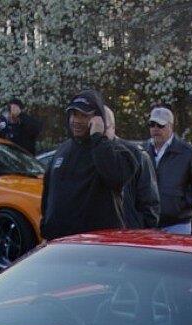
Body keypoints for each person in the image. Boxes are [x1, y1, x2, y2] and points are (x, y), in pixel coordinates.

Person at [40, 89, 137, 240]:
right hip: (60, 245)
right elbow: (48, 194)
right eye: (74, 114)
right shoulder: (62, 151)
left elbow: (116, 177)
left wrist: (97, 137)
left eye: (84, 115)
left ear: (98, 118)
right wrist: (46, 227)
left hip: (96, 247)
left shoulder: (117, 151)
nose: (76, 120)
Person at [144, 106, 192, 234]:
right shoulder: (142, 151)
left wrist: (183, 202)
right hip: (148, 224)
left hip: (177, 224)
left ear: (170, 126)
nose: (155, 129)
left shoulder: (188, 153)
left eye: (160, 125)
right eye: (152, 124)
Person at [104, 105, 159, 229]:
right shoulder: (82, 154)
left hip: (129, 233)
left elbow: (149, 201)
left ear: (112, 127)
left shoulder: (135, 154)